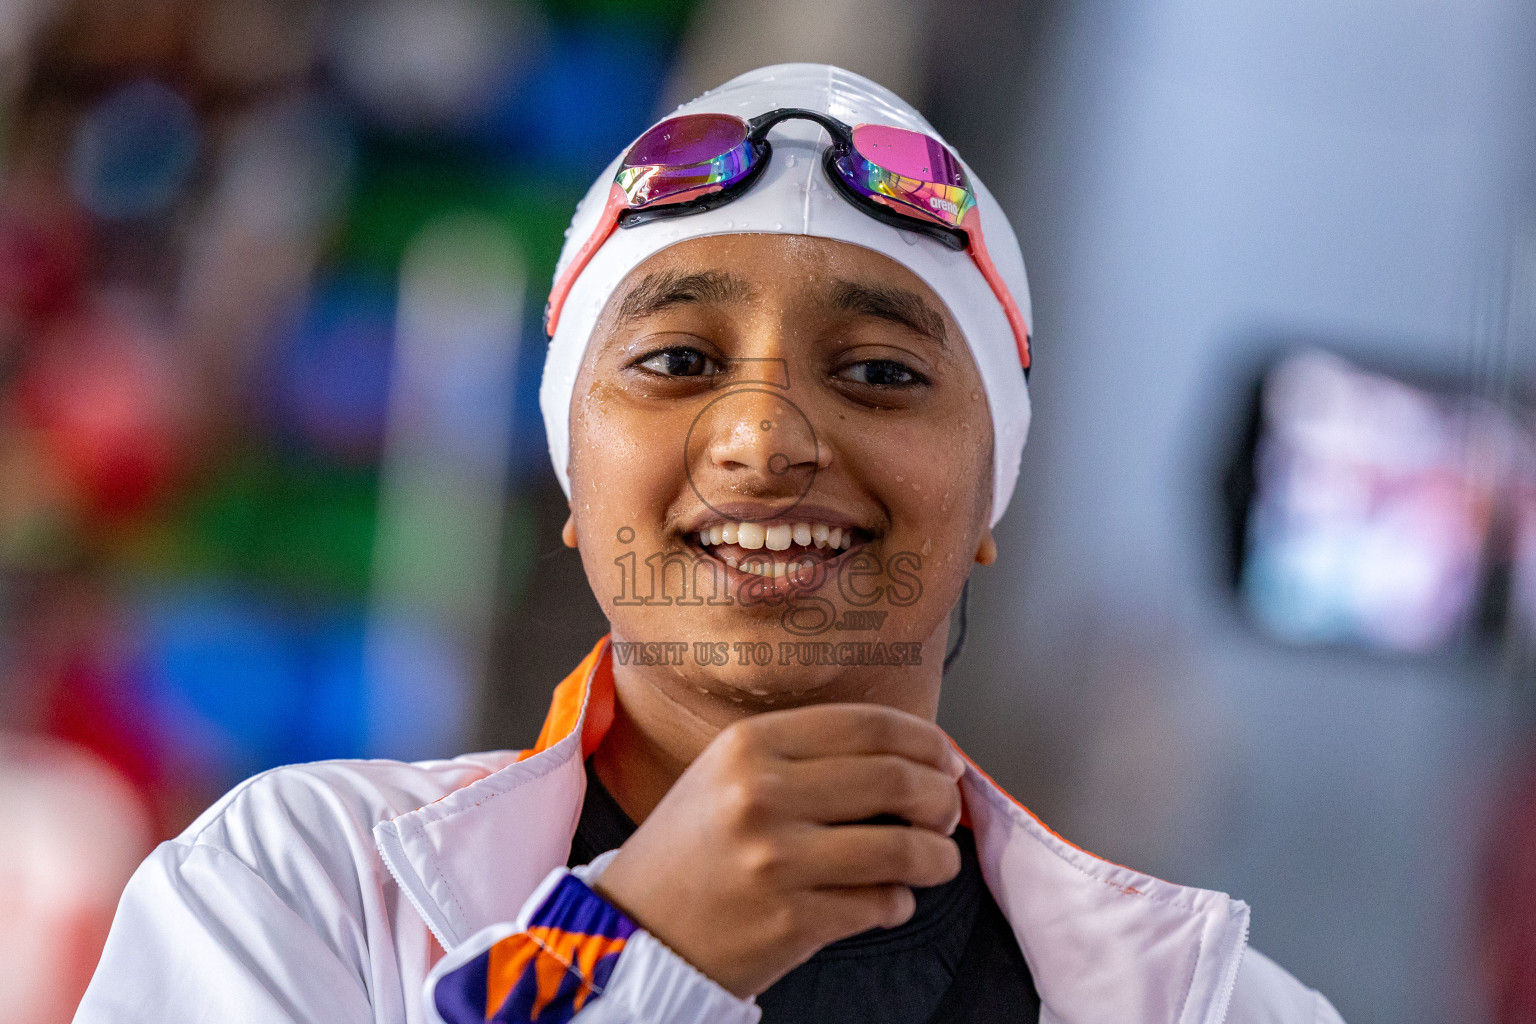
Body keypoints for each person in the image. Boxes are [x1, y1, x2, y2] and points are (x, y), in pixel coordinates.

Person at [75, 64, 1345, 1024]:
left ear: (989, 501)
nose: (762, 437)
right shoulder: (295, 887)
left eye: (884, 372)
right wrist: (640, 956)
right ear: (575, 484)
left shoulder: (1231, 1007)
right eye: (677, 361)